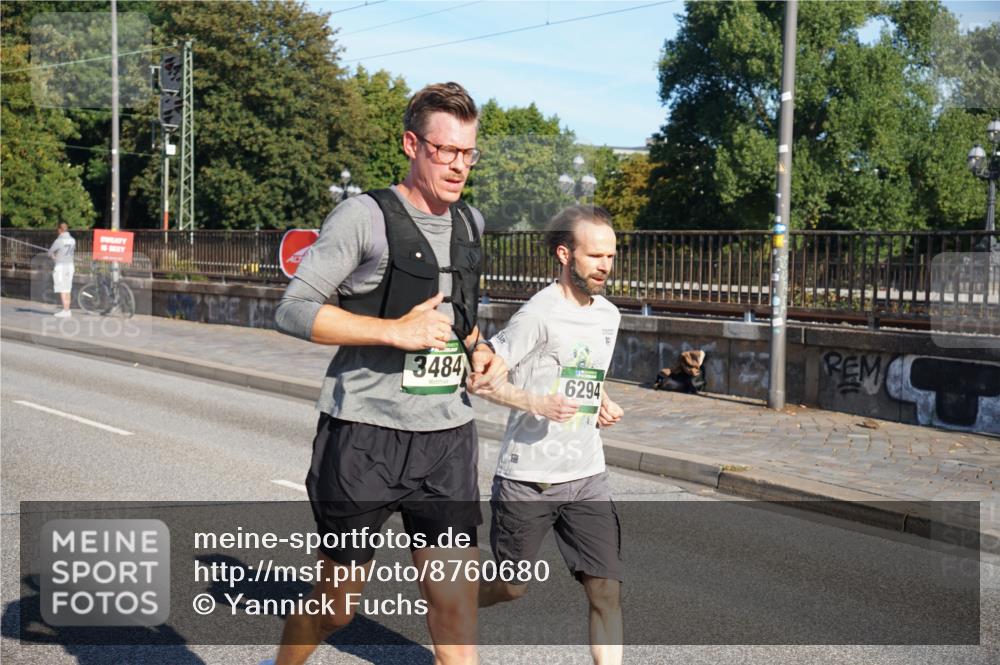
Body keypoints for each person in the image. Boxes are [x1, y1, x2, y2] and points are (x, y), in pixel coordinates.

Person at [266, 82, 506, 665]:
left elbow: (454, 316)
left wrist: (480, 347)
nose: (457, 166)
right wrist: (391, 331)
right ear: (411, 144)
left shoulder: (470, 223)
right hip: (364, 435)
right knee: (336, 606)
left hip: (446, 440)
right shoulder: (363, 216)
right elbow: (292, 309)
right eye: (444, 150)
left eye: (467, 153)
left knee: (453, 605)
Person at [471, 205, 625, 665]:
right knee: (510, 587)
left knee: (605, 591)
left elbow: (581, 375)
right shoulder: (536, 314)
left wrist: (599, 400)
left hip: (586, 476)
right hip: (528, 478)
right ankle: (452, 604)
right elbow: (480, 380)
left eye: (611, 256)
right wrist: (535, 404)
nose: (605, 266)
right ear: (564, 254)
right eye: (595, 255)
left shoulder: (609, 316)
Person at [48, 222, 76, 317]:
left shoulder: (59, 240)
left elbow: (50, 252)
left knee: (62, 288)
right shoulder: (73, 240)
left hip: (61, 267)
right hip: (70, 266)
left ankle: (65, 310)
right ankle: (67, 310)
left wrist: (53, 256)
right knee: (68, 288)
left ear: (60, 230)